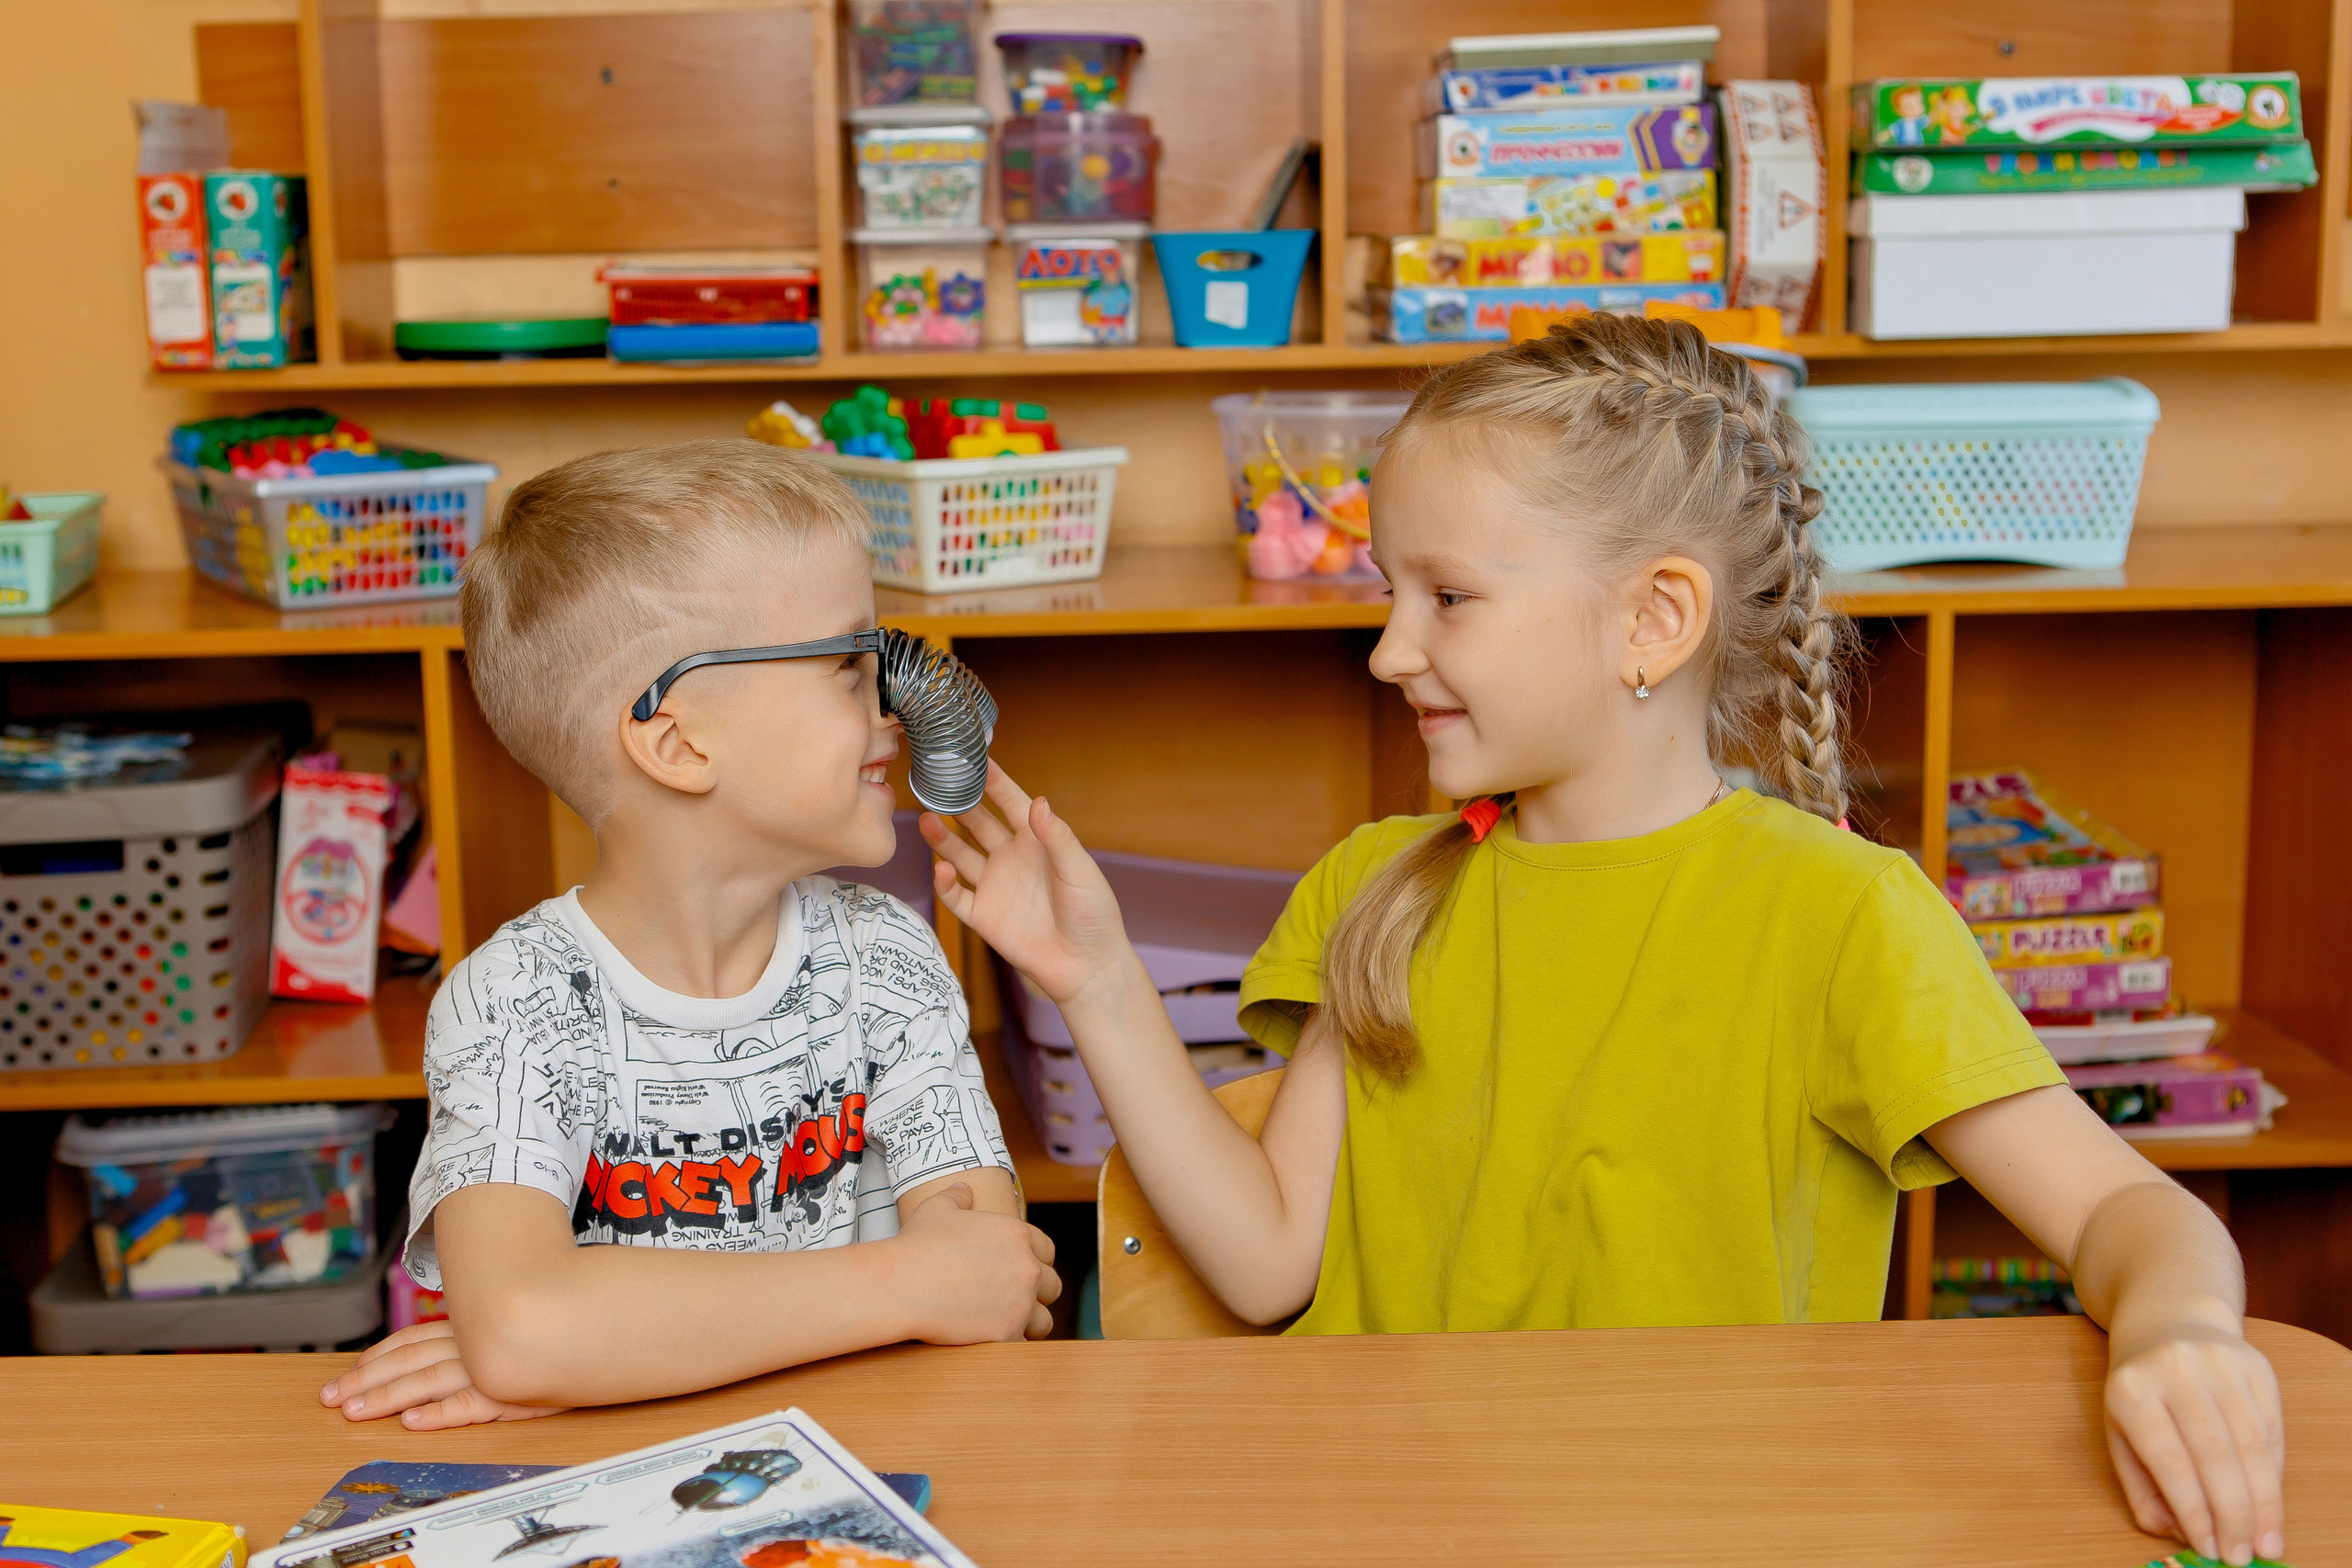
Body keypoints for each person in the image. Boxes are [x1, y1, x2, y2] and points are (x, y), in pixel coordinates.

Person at [926, 316, 2287, 1567]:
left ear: (1656, 620)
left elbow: (2127, 1210)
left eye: (1447, 597)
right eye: (1392, 591)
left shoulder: (1839, 913)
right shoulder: (1379, 882)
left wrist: (2178, 1322)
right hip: (1383, 1526)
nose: (1389, 650)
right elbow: (1268, 1259)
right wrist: (1099, 978)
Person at [321, 439, 1057, 1429]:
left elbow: (987, 1284)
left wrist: (609, 1355)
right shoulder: (511, 1003)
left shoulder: (887, 958)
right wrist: (903, 1291)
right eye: (847, 665)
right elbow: (530, 1330)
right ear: (678, 743)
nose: (895, 704)